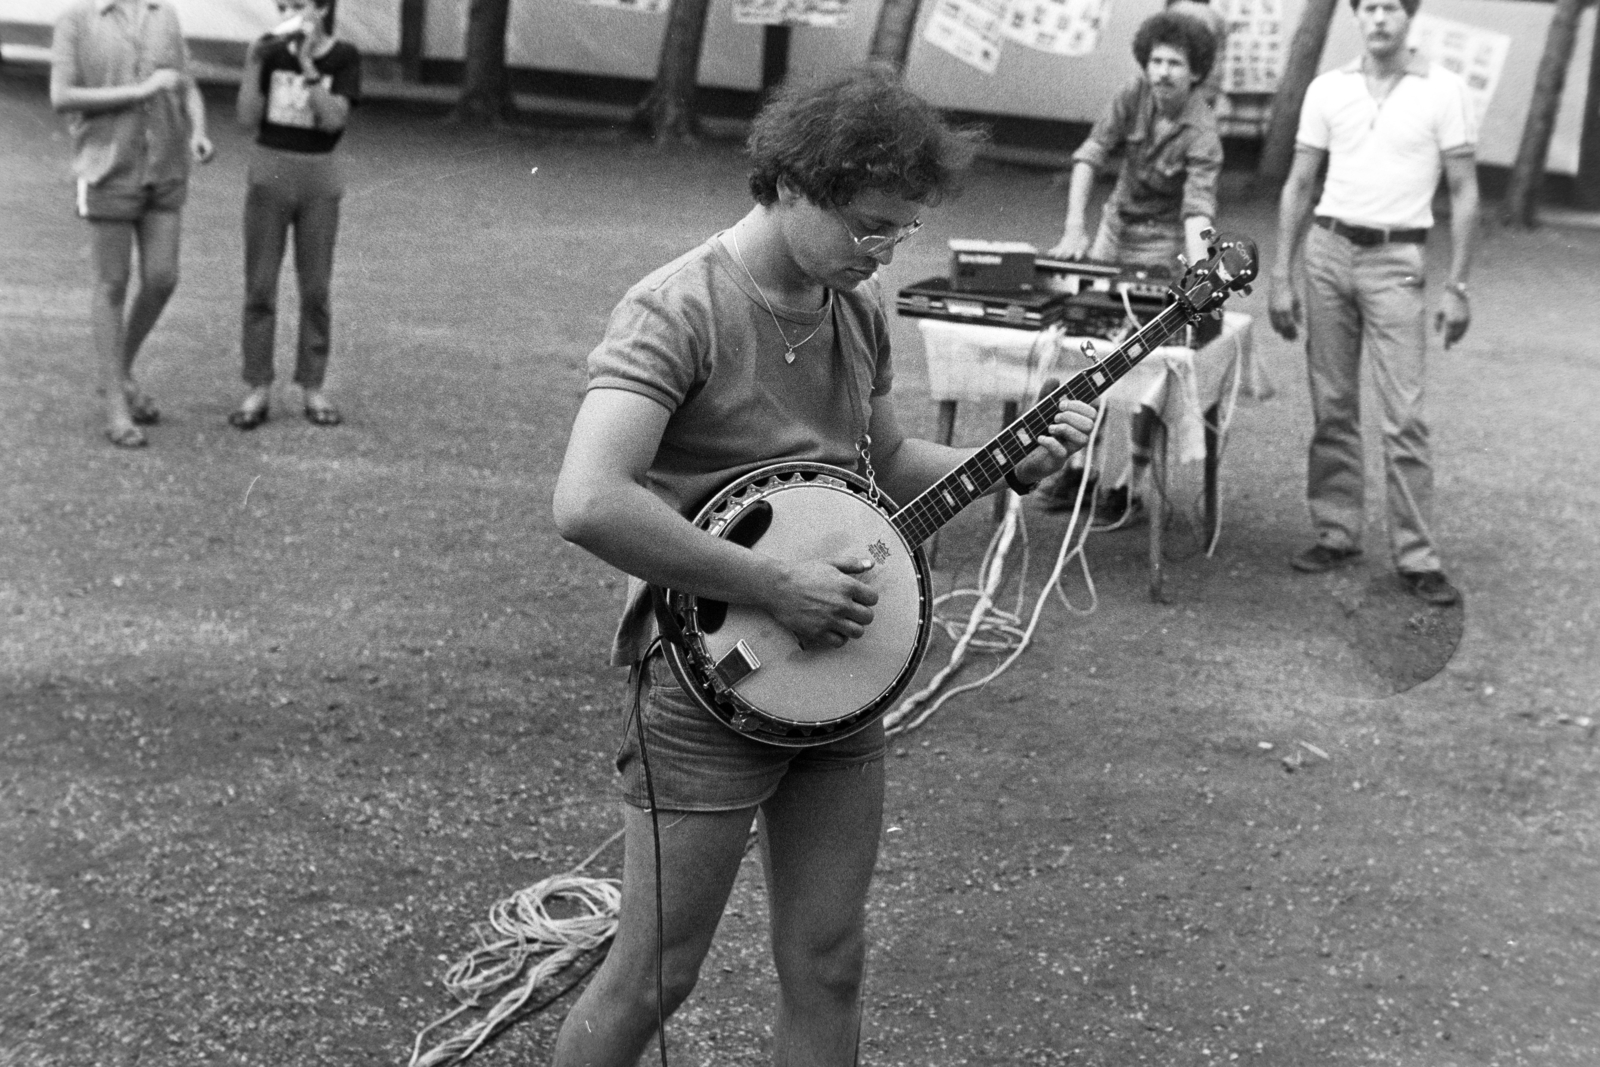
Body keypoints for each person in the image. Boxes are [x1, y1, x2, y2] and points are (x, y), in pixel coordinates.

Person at [549, 67, 1096, 1067]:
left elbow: (883, 465)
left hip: (839, 680)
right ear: (793, 185)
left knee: (830, 958)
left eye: (901, 229)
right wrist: (768, 583)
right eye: (869, 225)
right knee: (657, 973)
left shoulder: (855, 307)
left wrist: (1003, 458)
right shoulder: (678, 308)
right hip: (707, 678)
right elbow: (590, 497)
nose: (885, 249)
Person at [1267, 0, 1478, 607]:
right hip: (1328, 251)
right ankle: (1337, 532)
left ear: (1409, 17)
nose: (1381, 18)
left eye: (1392, 7)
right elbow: (1300, 183)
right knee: (1332, 403)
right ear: (1357, 15)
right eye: (1370, 6)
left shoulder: (1444, 91)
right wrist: (1281, 276)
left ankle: (1417, 556)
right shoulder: (1328, 90)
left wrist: (1458, 288)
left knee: (1404, 414)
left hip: (1397, 261)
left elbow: (1464, 192)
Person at [1041, 10, 1223, 522]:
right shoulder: (1131, 96)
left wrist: (1203, 270)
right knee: (1087, 348)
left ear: (1195, 72)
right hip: (1115, 229)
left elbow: (1197, 210)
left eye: (1175, 64)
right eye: (1156, 61)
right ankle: (1082, 471)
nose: (1163, 72)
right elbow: (1090, 155)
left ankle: (1131, 484)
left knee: (1143, 362)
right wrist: (1075, 229)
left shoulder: (1203, 131)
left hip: (1163, 243)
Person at [50, 0, 214, 449]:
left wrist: (198, 131)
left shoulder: (164, 15)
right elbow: (61, 96)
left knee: (162, 277)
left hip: (164, 167)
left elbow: (185, 85)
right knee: (112, 285)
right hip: (107, 167)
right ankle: (116, 408)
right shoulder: (77, 21)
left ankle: (118, 373)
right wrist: (141, 92)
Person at [228, 0, 360, 431]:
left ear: (321, 8)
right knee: (260, 286)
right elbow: (247, 119)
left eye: (299, 4)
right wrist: (253, 62)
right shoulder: (269, 52)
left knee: (316, 289)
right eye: (283, 4)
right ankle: (258, 387)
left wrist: (306, 63)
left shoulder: (343, 57)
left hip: (319, 179)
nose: (288, 11)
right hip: (270, 172)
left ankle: (312, 385)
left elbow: (332, 121)